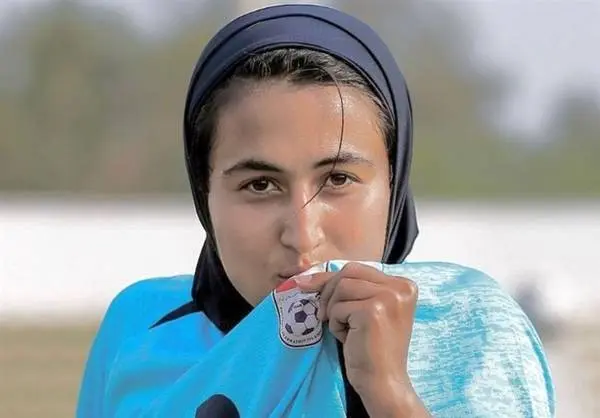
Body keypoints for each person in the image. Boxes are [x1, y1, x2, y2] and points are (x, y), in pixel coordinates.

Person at [77, 4, 555, 417]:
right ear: (204, 192)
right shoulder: (140, 326)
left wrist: (390, 395)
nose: (303, 236)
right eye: (260, 184)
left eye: (338, 180)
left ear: (394, 184)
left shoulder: (472, 330)